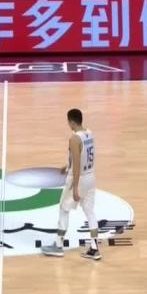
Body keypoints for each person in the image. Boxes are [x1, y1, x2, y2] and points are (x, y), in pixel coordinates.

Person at [42, 109, 102, 261]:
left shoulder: (74, 139)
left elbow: (77, 164)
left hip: (79, 178)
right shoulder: (89, 133)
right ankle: (95, 249)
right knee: (90, 211)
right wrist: (67, 166)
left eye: (68, 122)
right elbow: (83, 156)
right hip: (90, 177)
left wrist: (75, 187)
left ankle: (58, 245)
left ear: (72, 122)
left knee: (64, 209)